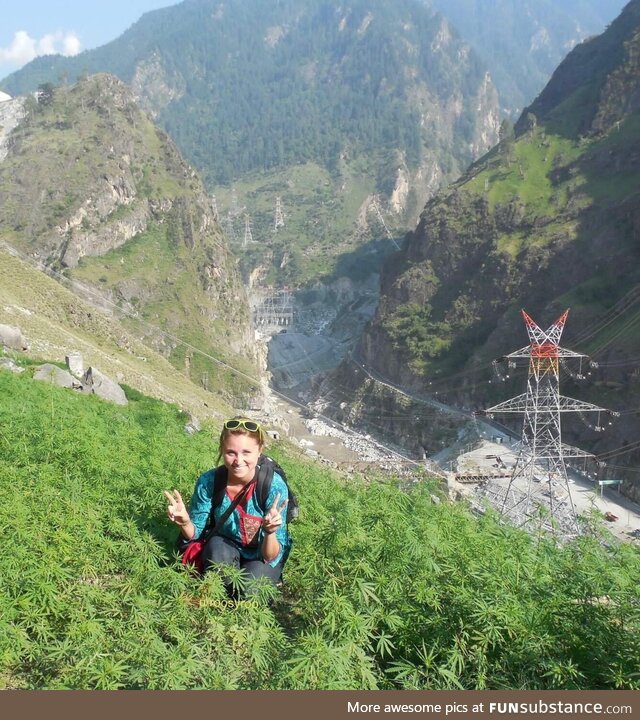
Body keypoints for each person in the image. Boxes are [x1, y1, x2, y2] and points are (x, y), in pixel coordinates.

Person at [164, 417, 290, 596]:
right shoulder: (209, 481)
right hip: (225, 546)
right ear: (222, 449)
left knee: (250, 591)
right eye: (231, 452)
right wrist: (184, 522)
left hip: (261, 554)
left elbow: (270, 556)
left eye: (247, 452)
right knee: (217, 558)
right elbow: (196, 532)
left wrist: (270, 532)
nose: (238, 460)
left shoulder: (273, 487)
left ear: (259, 451)